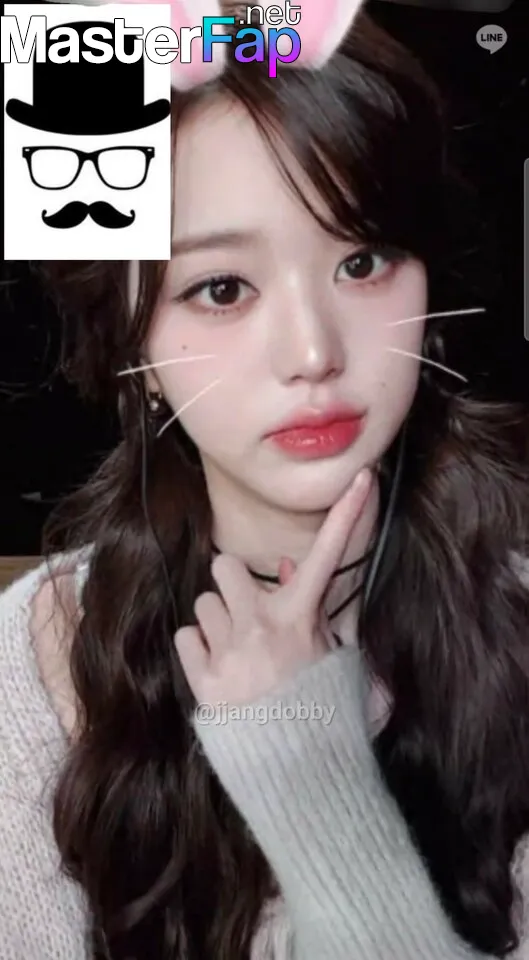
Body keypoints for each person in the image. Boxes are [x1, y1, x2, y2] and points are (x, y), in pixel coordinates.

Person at [1, 4, 529, 959]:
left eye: (361, 261)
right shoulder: (24, 669)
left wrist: (308, 774)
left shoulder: (516, 627)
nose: (313, 352)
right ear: (131, 345)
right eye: (222, 288)